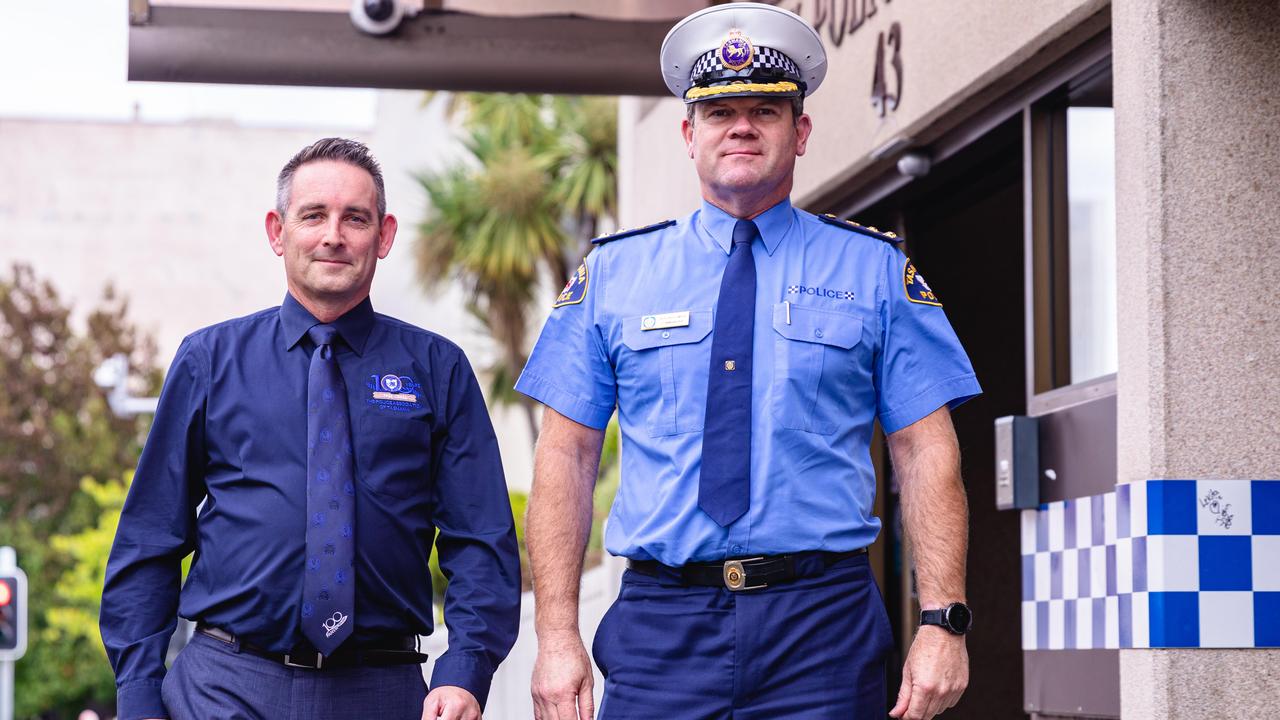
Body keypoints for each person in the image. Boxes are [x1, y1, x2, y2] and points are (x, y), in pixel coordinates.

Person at [519, 4, 981, 719]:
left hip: (821, 627)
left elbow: (924, 450)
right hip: (661, 626)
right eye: (719, 111)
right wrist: (555, 636)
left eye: (765, 110)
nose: (741, 126)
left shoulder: (874, 271)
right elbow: (565, 456)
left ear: (800, 132)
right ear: (688, 134)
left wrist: (942, 620)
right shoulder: (614, 275)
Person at [100, 138, 520, 720]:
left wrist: (466, 670)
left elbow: (480, 540)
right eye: (313, 215)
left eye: (355, 218)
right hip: (223, 689)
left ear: (385, 234)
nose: (333, 236)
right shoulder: (208, 361)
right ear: (277, 231)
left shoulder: (437, 369)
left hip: (385, 693)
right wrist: (139, 694)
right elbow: (150, 538)